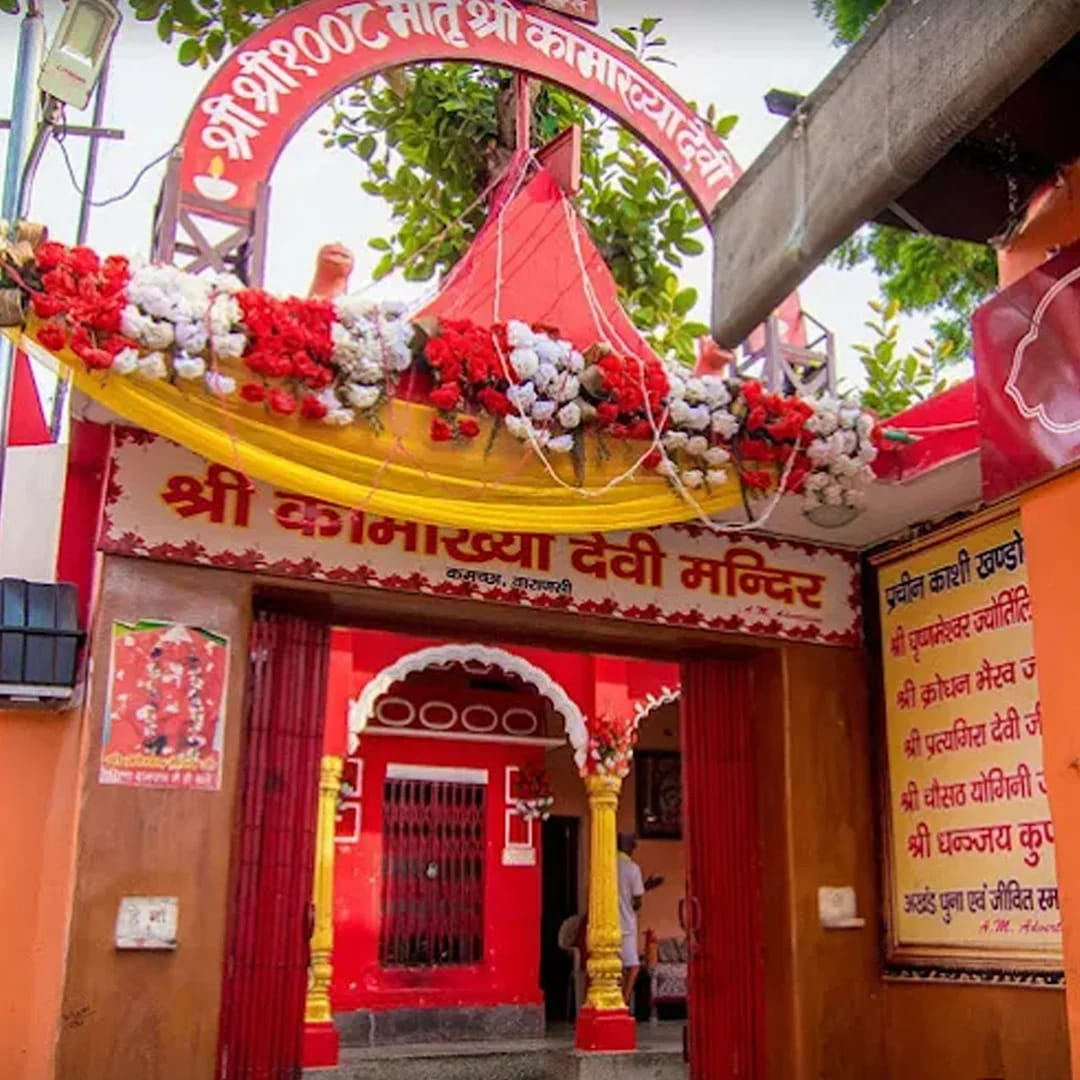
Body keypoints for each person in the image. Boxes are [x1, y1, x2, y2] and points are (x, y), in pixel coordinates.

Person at [617, 832, 662, 1007]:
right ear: (629, 847)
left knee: (613, 968)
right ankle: (624, 1001)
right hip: (626, 925)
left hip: (606, 924)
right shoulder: (632, 868)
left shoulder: (605, 864)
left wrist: (645, 887)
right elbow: (636, 901)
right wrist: (644, 890)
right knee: (633, 966)